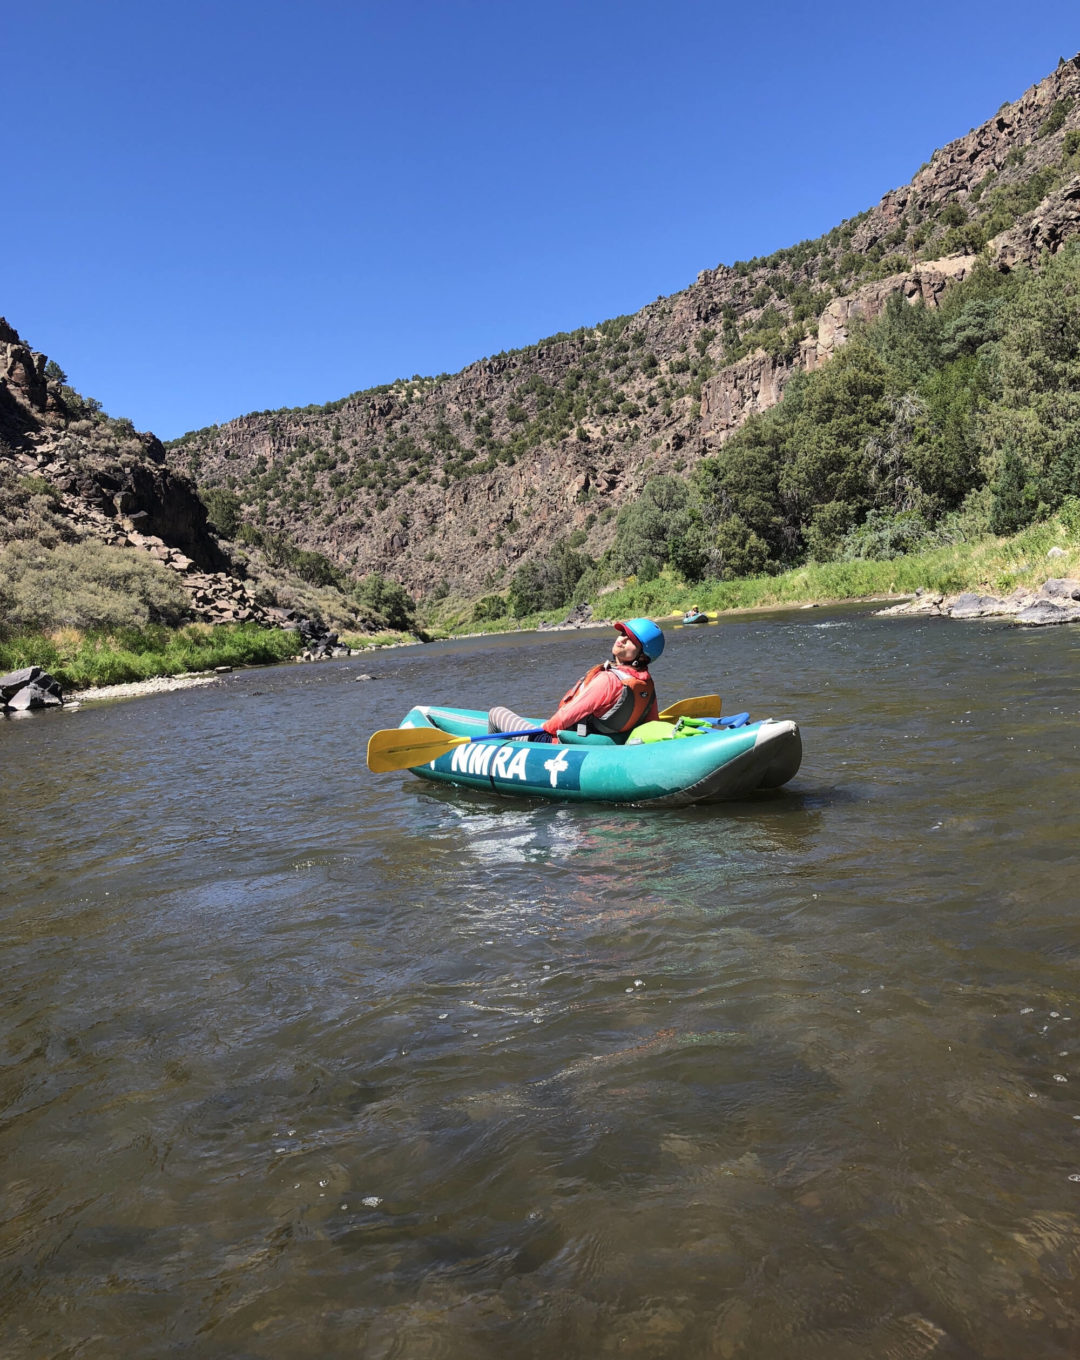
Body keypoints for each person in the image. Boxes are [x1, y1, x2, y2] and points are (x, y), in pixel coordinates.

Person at [488, 617, 664, 743]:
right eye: (623, 633)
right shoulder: (646, 685)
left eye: (631, 640)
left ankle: (489, 755)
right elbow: (652, 723)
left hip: (559, 745)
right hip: (602, 744)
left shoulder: (608, 680)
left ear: (642, 656)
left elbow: (566, 717)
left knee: (496, 713)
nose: (622, 639)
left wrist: (545, 727)